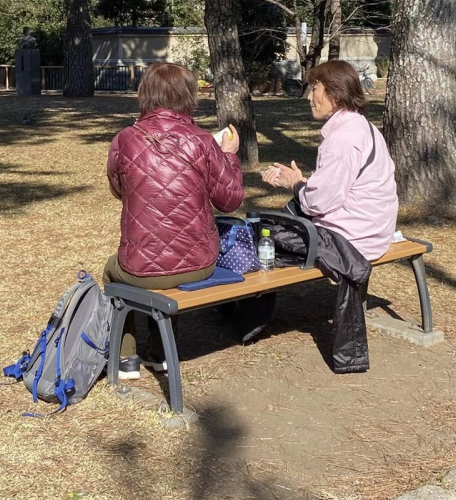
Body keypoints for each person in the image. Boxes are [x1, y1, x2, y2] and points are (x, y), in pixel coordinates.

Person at [105, 62, 243, 379]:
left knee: (113, 272)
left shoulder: (125, 139)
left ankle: (127, 357)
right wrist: (229, 155)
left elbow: (118, 190)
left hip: (139, 267)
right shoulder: (203, 141)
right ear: (187, 95)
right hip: (200, 262)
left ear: (146, 94)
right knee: (177, 255)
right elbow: (230, 200)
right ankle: (159, 352)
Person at [261, 59, 398, 373]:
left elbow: (318, 203)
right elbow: (339, 188)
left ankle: (247, 314)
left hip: (354, 238)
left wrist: (295, 185)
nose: (310, 97)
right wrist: (305, 183)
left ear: (334, 94)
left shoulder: (341, 139)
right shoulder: (361, 126)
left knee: (266, 231)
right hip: (375, 227)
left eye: (315, 89)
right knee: (288, 216)